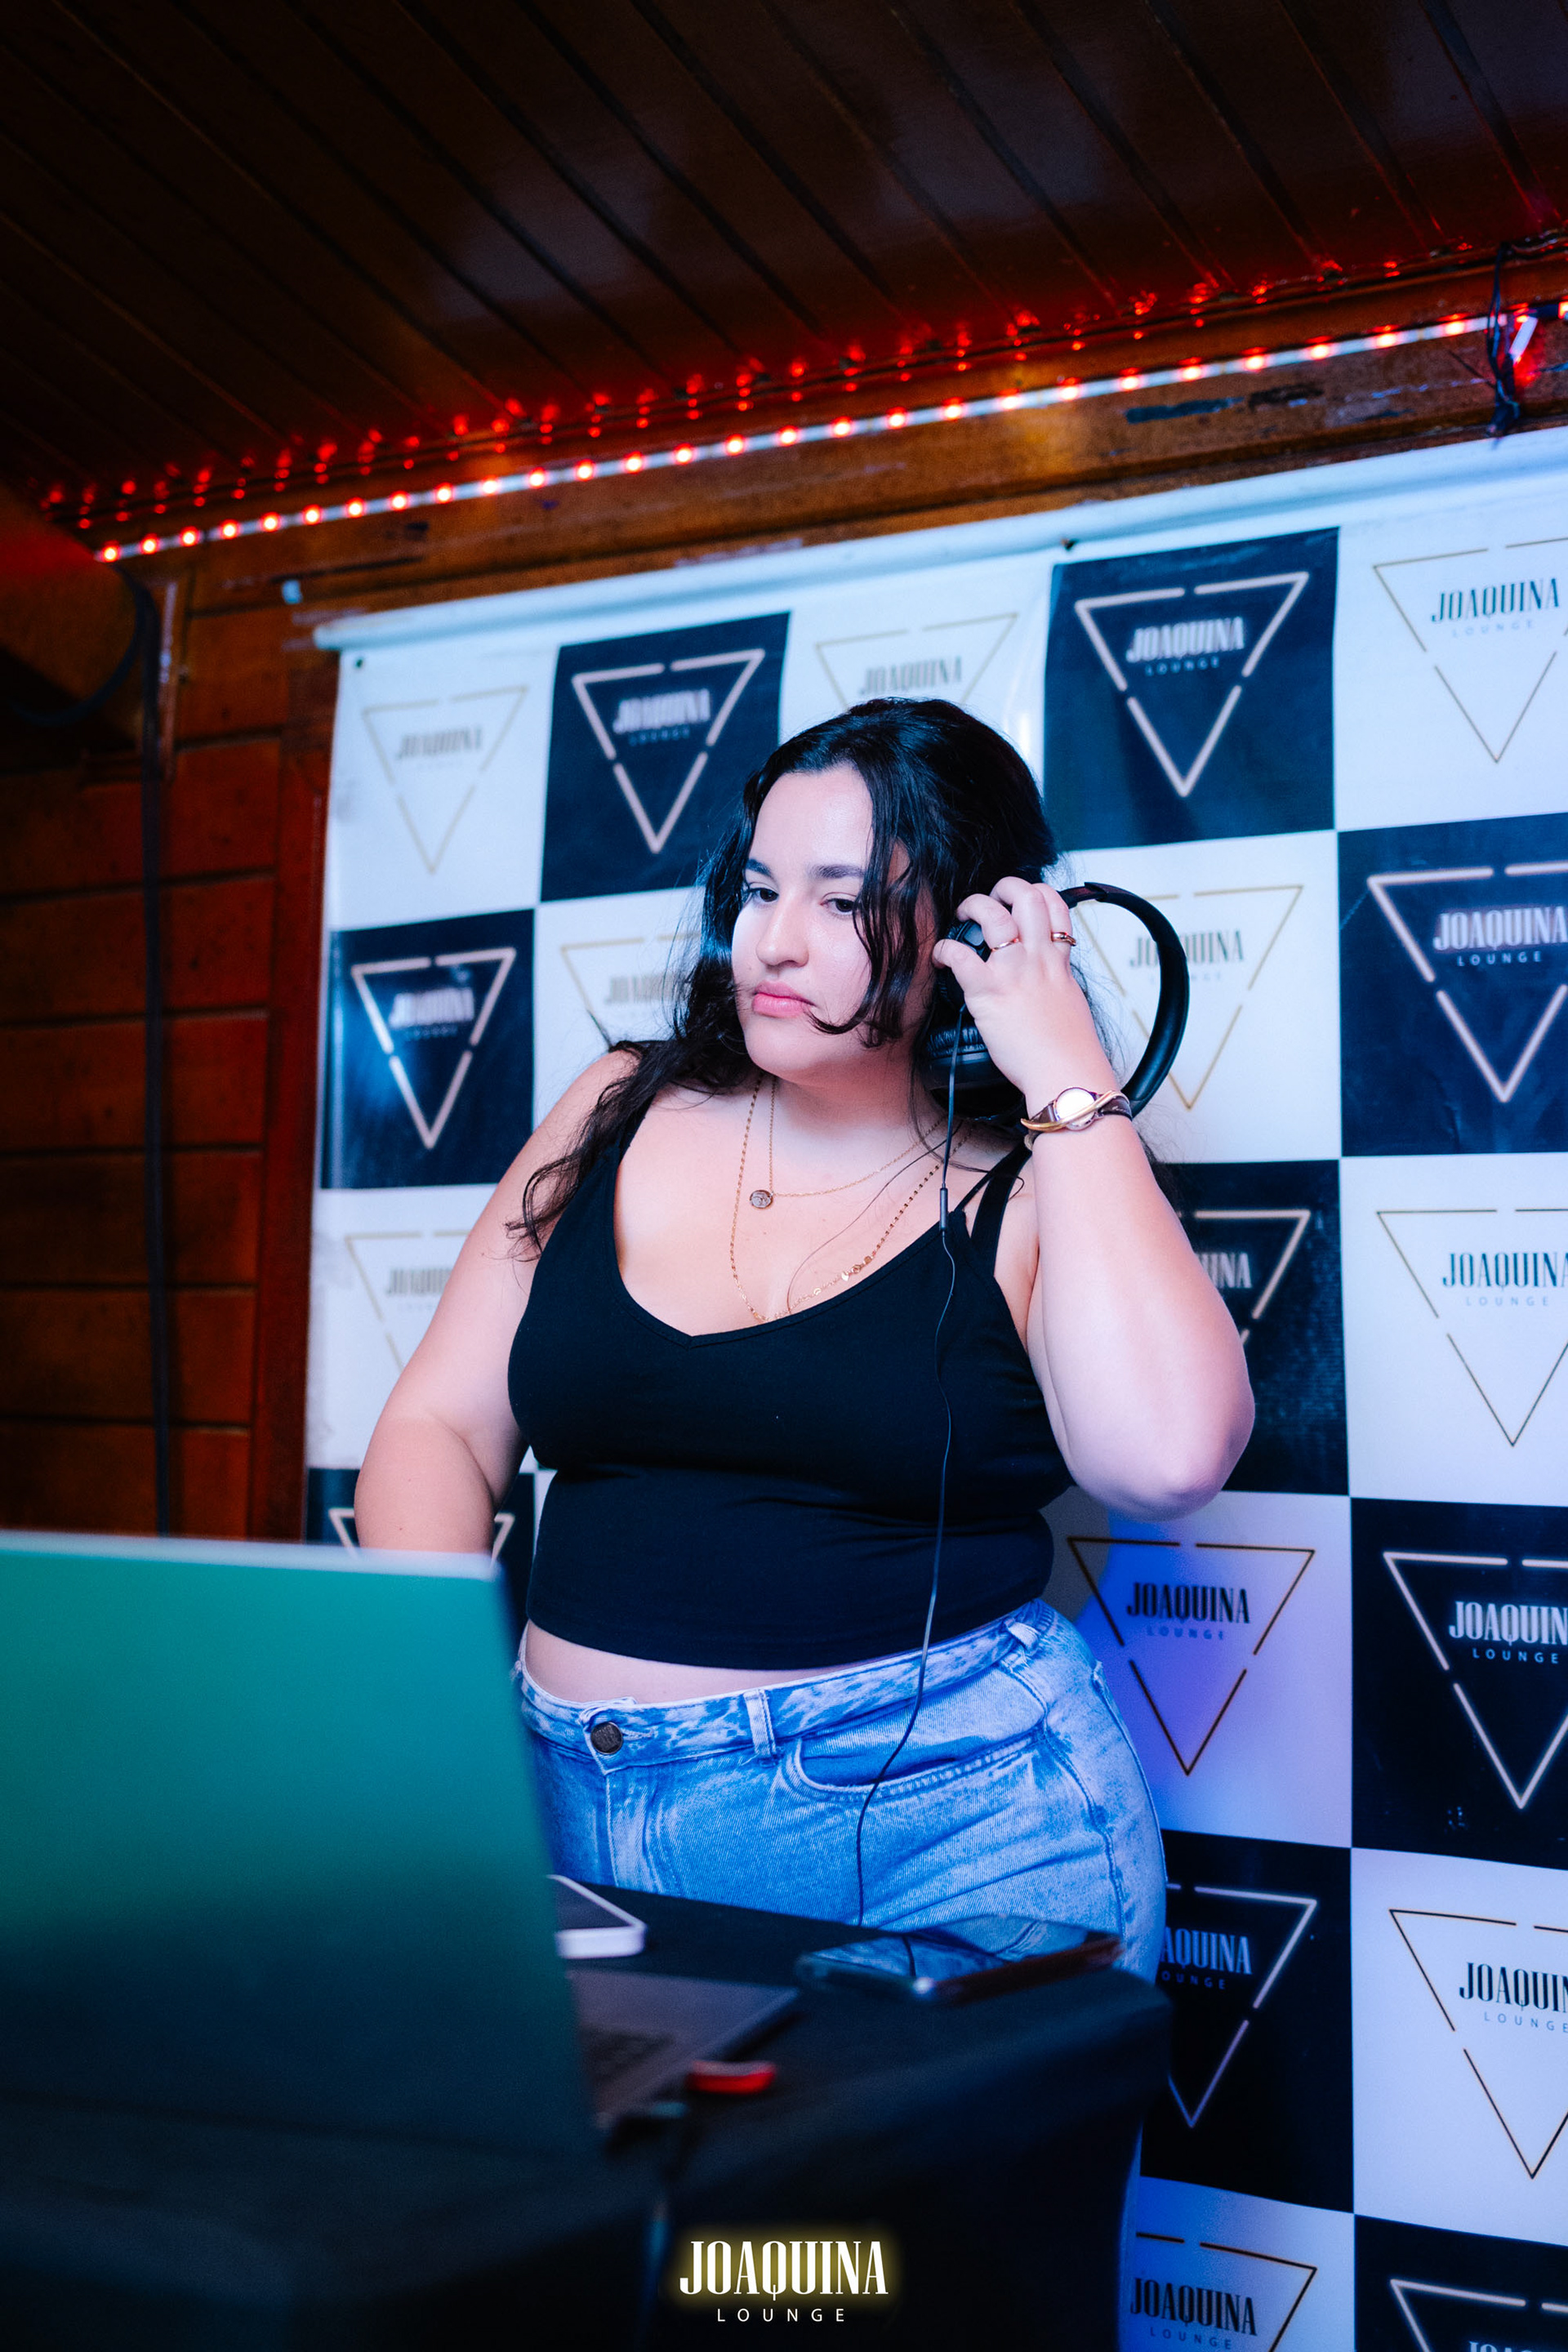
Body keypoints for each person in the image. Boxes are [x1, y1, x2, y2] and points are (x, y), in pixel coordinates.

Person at [356, 699, 1252, 1975]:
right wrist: (436, 1713)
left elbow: (1167, 1460)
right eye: (761, 889)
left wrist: (1067, 1073)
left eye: (842, 902)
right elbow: (441, 1423)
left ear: (973, 929)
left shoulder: (1036, 1187)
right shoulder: (619, 1102)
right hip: (558, 1808)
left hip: (954, 1833)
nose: (772, 940)